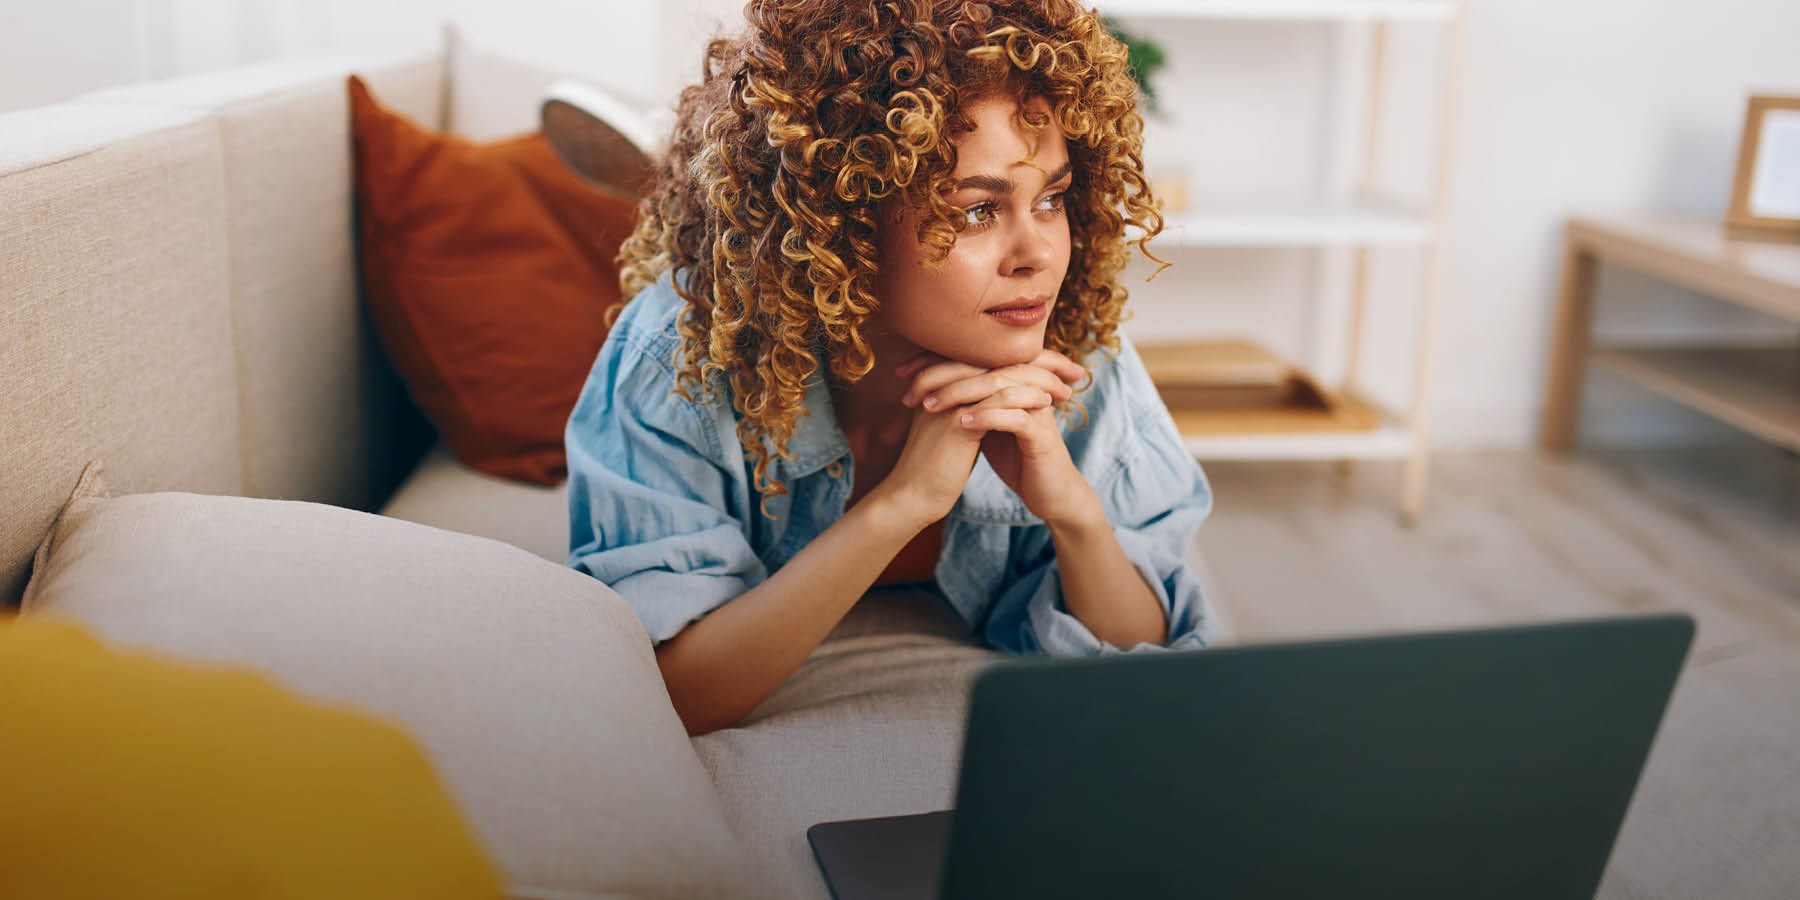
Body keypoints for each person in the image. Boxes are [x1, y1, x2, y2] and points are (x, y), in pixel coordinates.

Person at [565, 0, 1214, 736]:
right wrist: (903, 503)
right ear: (844, 224)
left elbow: (1154, 664)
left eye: (1053, 199)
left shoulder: (1071, 346)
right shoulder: (681, 353)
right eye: (976, 211)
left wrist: (1073, 511)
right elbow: (674, 695)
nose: (1037, 256)